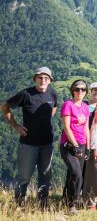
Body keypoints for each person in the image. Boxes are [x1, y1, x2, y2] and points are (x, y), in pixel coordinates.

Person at [1, 67, 58, 208]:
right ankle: (19, 204)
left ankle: (42, 203)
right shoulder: (25, 94)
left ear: (50, 80)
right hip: (29, 143)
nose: (43, 80)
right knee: (24, 176)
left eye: (46, 78)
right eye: (40, 77)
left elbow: (55, 107)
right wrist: (16, 126)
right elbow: (5, 107)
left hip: (47, 142)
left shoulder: (52, 93)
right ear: (35, 79)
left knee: (45, 175)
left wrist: (47, 119)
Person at [59, 79, 90, 213]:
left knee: (75, 174)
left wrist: (87, 147)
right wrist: (76, 145)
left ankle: (66, 200)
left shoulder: (85, 107)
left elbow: (86, 128)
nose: (80, 92)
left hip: (82, 145)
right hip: (69, 146)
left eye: (83, 89)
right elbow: (66, 127)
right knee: (76, 173)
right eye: (77, 89)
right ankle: (73, 204)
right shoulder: (68, 105)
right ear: (73, 91)